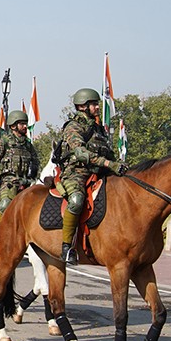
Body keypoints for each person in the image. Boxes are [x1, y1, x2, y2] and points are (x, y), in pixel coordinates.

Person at [56, 88, 127, 265]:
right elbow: (81, 153)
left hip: (99, 172)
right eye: (94, 104)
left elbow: (108, 153)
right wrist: (109, 164)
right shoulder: (73, 127)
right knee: (77, 200)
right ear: (82, 106)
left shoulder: (99, 129)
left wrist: (118, 165)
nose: (97, 107)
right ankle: (67, 247)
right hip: (76, 172)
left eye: (96, 104)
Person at [0, 110, 40, 222]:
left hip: (26, 181)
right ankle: (3, 232)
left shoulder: (28, 145)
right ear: (14, 126)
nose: (25, 126)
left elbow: (35, 163)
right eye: (22, 124)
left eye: (26, 123)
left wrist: (32, 178)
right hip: (8, 182)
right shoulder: (3, 142)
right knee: (5, 205)